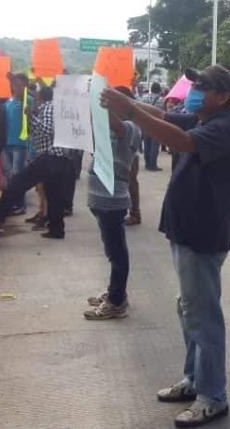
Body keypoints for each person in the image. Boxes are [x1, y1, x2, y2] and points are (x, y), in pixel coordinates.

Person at [101, 65, 230, 427]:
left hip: (203, 233)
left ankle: (213, 396)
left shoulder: (224, 127)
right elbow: (164, 116)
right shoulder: (202, 118)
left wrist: (129, 109)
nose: (194, 90)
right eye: (194, 84)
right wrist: (126, 102)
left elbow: (182, 142)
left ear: (223, 96)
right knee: (190, 309)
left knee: (203, 316)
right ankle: (195, 380)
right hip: (187, 230)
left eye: (203, 86)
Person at [0, 86, 74, 239]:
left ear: (40, 98)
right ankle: (56, 230)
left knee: (17, 183)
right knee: (54, 197)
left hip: (49, 157)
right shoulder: (52, 109)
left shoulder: (47, 108)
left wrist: (31, 116)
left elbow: (48, 130)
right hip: (57, 159)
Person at [83, 89, 142, 320]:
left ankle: (117, 301)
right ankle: (114, 292)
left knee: (117, 254)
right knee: (111, 251)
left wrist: (101, 102)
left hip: (112, 202)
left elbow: (115, 123)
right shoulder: (109, 127)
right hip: (100, 201)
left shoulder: (130, 128)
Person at [0, 73, 30, 215]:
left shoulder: (27, 101)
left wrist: (14, 80)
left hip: (20, 143)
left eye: (19, 84)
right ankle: (12, 203)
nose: (15, 86)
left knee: (18, 175)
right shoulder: (9, 102)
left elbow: (23, 93)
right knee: (9, 175)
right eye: (14, 84)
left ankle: (21, 205)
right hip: (6, 144)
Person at [141, 82, 164, 171]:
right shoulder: (161, 100)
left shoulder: (144, 97)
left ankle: (147, 163)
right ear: (159, 90)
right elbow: (162, 111)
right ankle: (152, 164)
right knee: (154, 145)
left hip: (145, 123)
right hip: (156, 124)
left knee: (147, 144)